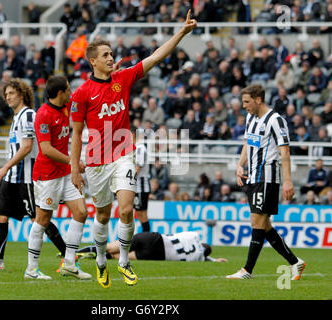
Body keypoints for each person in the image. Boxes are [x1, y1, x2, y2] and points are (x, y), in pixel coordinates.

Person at [70, 10, 197, 288]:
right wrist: (74, 169)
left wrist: (181, 33)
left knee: (126, 210)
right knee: (102, 216)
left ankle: (124, 262)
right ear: (93, 61)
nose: (111, 57)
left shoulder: (123, 79)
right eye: (105, 55)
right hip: (95, 161)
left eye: (111, 53)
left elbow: (156, 56)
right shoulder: (81, 94)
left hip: (123, 154)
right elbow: (77, 133)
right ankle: (102, 262)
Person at [0, 79, 67, 272]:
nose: (7, 97)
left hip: (27, 178)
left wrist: (4, 167)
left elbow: (27, 147)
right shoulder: (16, 117)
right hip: (13, 178)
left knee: (39, 220)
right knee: (0, 215)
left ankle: (68, 257)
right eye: (6, 94)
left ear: (22, 94)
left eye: (11, 93)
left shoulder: (28, 115)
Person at [226, 84, 305, 280]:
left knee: (257, 222)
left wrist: (287, 181)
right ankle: (295, 262)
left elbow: (284, 151)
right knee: (264, 224)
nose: (244, 106)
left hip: (267, 177)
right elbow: (248, 142)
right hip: (253, 177)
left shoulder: (275, 120)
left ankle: (247, 270)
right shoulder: (251, 118)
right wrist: (239, 164)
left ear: (258, 99)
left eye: (247, 101)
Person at [25, 76, 91, 281]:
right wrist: (73, 162)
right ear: (60, 93)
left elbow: (82, 96)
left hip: (64, 173)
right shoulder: (43, 115)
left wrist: (107, 77)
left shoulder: (66, 105)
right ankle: (31, 270)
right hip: (47, 176)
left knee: (81, 212)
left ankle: (69, 264)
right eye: (68, 90)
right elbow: (46, 149)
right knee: (43, 220)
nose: (71, 92)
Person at [76, 231, 227, 263]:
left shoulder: (195, 236)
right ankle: (90, 257)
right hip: (157, 255)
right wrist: (214, 260)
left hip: (156, 239)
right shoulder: (199, 258)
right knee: (117, 256)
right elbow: (204, 257)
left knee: (110, 246)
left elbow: (175, 234)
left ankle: (77, 253)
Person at [131, 127, 151, 232]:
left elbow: (137, 168)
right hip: (137, 185)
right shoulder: (135, 148)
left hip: (141, 185)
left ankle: (146, 238)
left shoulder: (140, 148)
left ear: (133, 135)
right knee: (139, 213)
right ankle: (145, 236)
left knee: (142, 214)